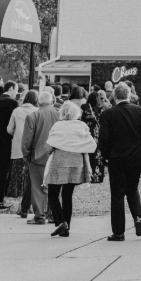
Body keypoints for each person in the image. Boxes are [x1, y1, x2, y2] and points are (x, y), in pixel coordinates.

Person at [98, 83, 141, 241]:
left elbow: (103, 138)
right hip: (135, 158)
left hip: (116, 158)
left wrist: (107, 156)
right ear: (129, 95)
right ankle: (137, 217)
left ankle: (118, 232)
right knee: (132, 188)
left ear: (115, 97)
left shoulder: (109, 114)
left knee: (117, 194)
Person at [43, 101, 97, 237]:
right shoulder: (82, 126)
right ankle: (66, 227)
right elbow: (90, 144)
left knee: (53, 193)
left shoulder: (58, 126)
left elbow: (49, 146)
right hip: (76, 162)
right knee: (68, 195)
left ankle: (61, 221)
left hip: (59, 162)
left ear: (62, 112)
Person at [22, 90, 59, 225]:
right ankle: (54, 214)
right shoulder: (59, 114)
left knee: (38, 187)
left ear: (38, 102)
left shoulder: (33, 116)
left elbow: (27, 140)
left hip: (38, 156)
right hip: (56, 155)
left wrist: (26, 155)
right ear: (52, 101)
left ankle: (40, 216)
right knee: (55, 186)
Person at [8, 90, 39, 216]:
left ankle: (22, 205)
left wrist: (16, 135)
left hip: (17, 147)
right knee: (30, 178)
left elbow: (9, 129)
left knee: (18, 178)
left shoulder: (17, 111)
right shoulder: (37, 111)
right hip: (32, 148)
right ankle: (29, 206)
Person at [0, 81, 20, 209]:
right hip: (7, 139)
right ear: (11, 88)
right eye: (16, 90)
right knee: (4, 169)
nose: (16, 93)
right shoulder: (14, 104)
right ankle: (0, 199)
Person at [84, 89, 104, 183]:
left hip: (86, 133)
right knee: (97, 155)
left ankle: (86, 176)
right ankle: (97, 176)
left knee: (86, 154)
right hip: (97, 133)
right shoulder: (100, 108)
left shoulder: (84, 107)